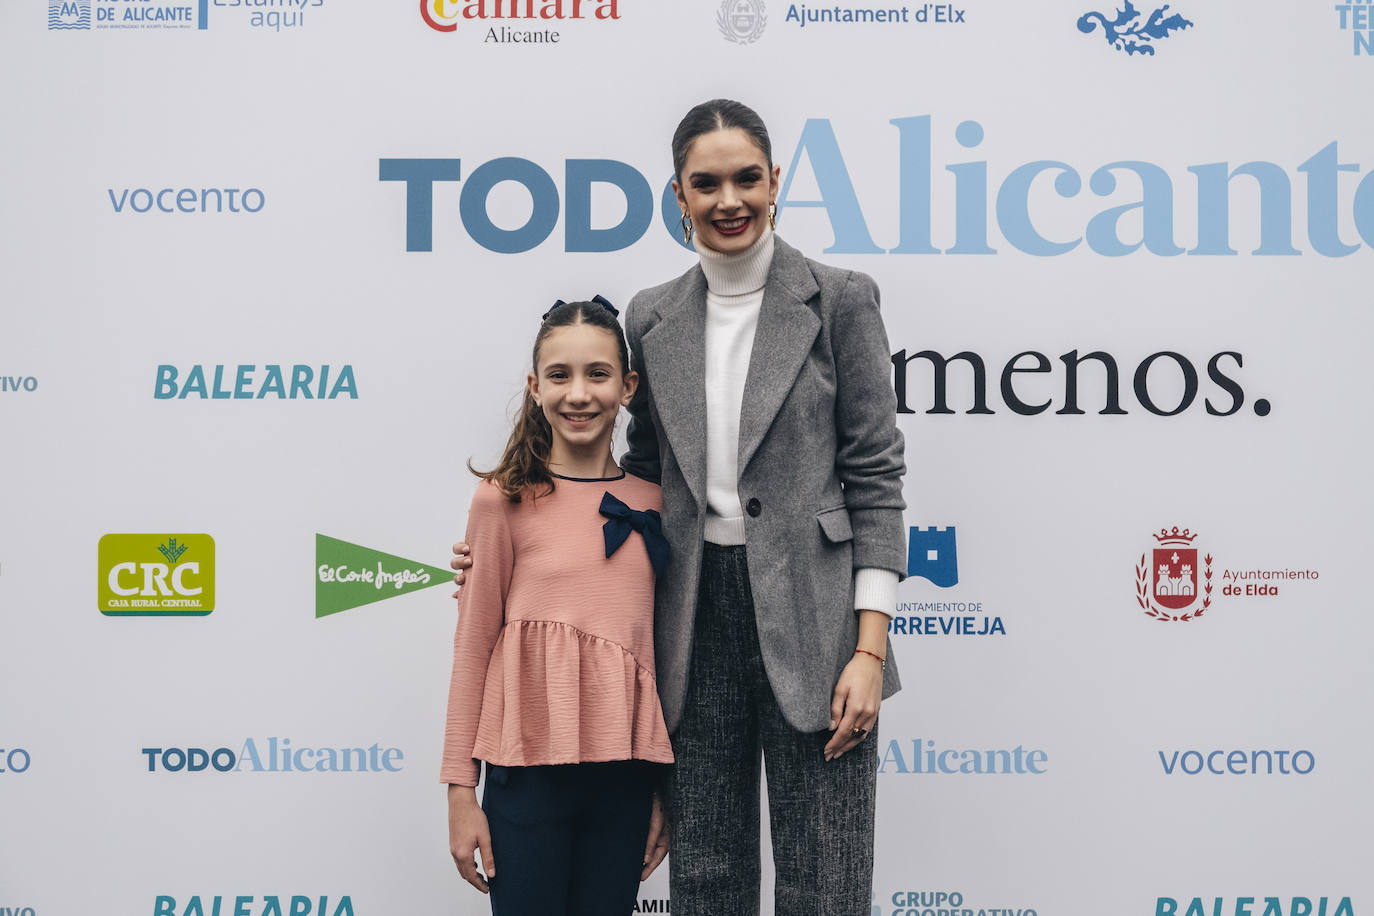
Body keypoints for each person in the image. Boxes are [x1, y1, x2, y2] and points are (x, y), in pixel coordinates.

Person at [454, 99, 906, 915]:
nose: (727, 200)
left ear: (775, 182)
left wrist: (869, 652)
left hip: (819, 620)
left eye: (745, 179)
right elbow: (642, 475)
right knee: (706, 877)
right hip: (688, 615)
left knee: (827, 881)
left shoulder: (840, 300)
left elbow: (875, 479)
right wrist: (514, 546)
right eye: (706, 184)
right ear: (679, 196)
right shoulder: (652, 316)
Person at [442, 298, 674, 916]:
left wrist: (663, 792)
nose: (579, 393)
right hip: (525, 776)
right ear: (534, 385)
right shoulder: (501, 501)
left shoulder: (657, 503)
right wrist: (460, 793)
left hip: (625, 776)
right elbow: (472, 651)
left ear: (627, 387)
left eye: (598, 374)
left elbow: (666, 652)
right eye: (560, 375)